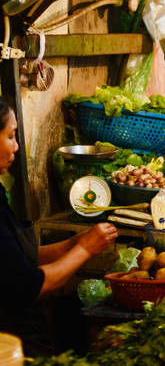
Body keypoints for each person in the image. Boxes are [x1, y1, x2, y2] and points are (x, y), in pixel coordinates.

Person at [0, 98, 118, 354]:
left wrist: (72, 244)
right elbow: (31, 286)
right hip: (12, 344)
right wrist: (85, 249)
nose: (17, 147)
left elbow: (15, 261)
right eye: (10, 136)